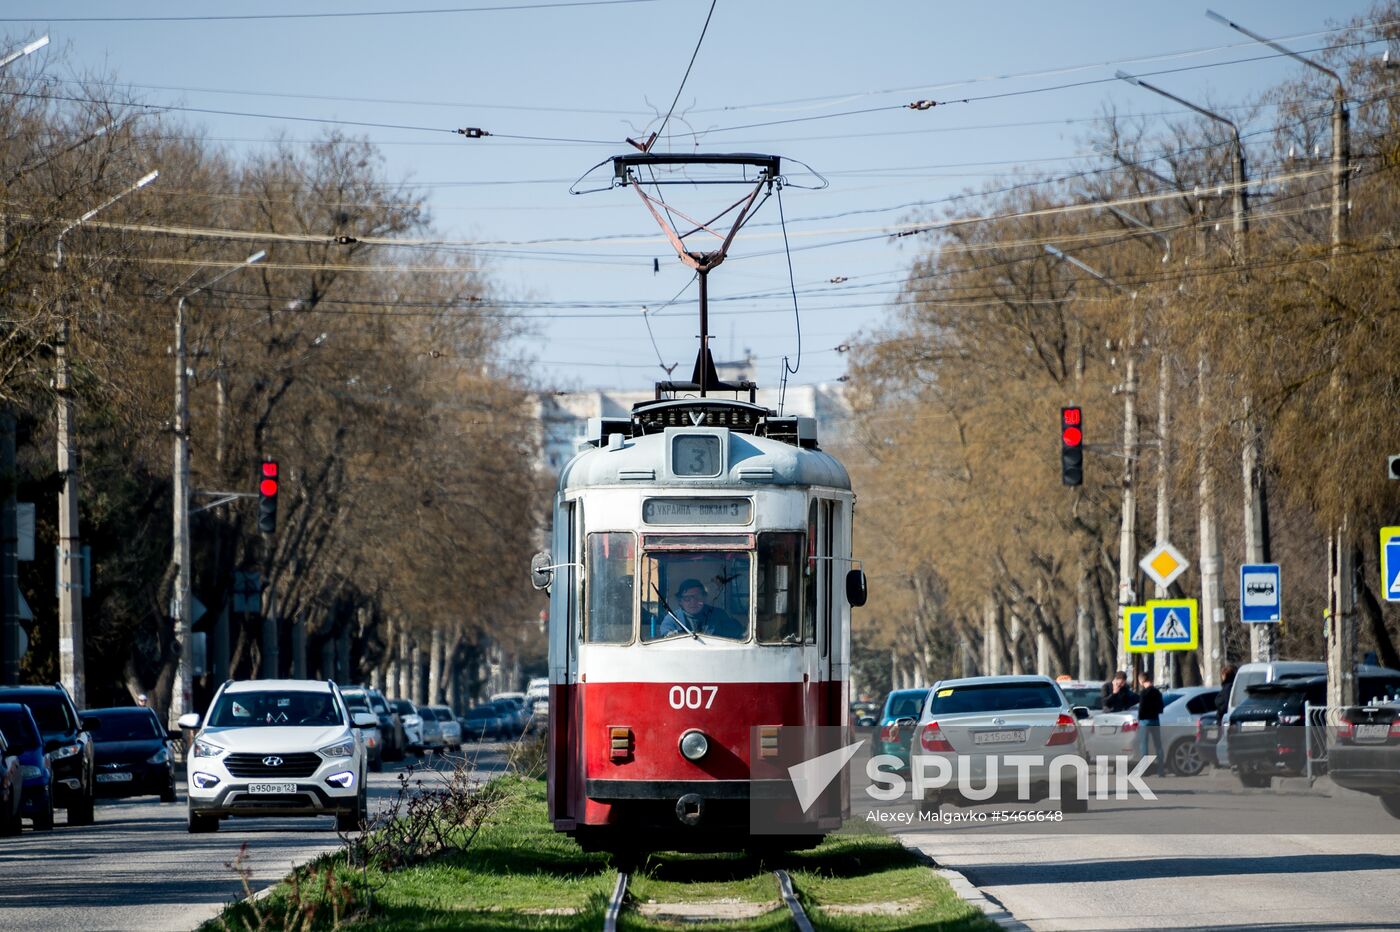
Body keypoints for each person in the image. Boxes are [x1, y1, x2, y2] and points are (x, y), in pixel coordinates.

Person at [658, 579, 744, 639]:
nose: (693, 602)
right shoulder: (672, 619)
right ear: (680, 601)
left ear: (704, 598)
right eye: (687, 598)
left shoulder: (719, 615)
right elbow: (666, 638)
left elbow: (736, 633)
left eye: (698, 597)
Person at [1137, 671, 1167, 777]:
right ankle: (1161, 770)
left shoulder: (1143, 693)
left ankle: (1144, 770)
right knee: (1158, 745)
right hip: (1155, 719)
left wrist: (1140, 718)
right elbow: (1161, 708)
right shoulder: (1157, 693)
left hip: (1145, 721)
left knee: (1144, 745)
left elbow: (1141, 708)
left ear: (1141, 681)